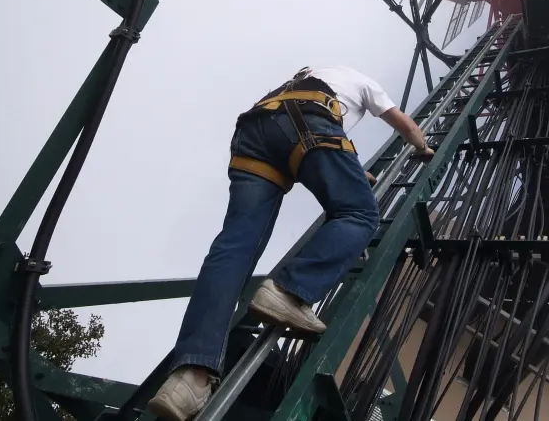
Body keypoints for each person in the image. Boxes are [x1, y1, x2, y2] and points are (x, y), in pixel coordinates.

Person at [148, 65, 435, 421]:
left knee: (234, 248)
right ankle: (289, 291)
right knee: (360, 215)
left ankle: (189, 378)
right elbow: (403, 124)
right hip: (309, 124)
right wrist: (423, 146)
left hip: (256, 130)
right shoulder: (365, 83)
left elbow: (311, 138)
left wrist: (350, 168)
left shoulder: (313, 74)